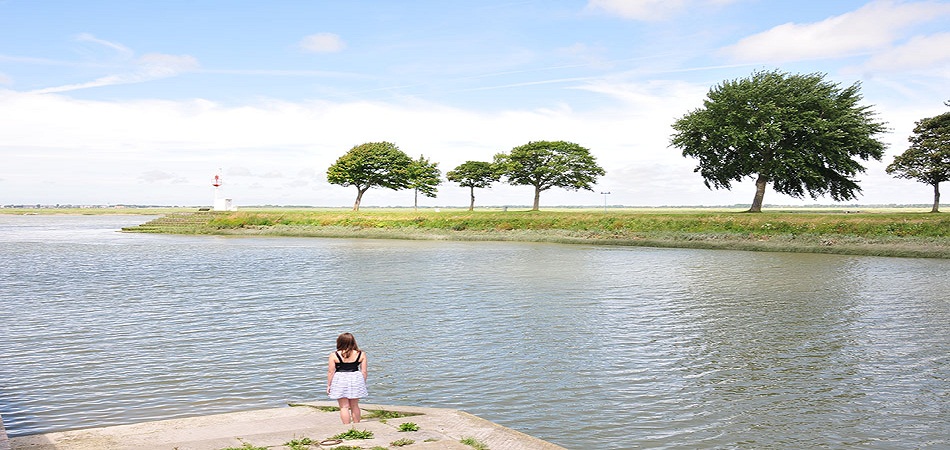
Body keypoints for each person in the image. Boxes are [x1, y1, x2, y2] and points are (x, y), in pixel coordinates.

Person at [326, 332, 368, 424]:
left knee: (344, 406)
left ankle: (346, 427)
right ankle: (357, 425)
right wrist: (362, 382)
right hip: (356, 377)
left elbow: (331, 372)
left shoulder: (334, 355)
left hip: (340, 378)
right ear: (353, 341)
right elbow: (364, 371)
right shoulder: (361, 354)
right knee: (355, 405)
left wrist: (329, 385)